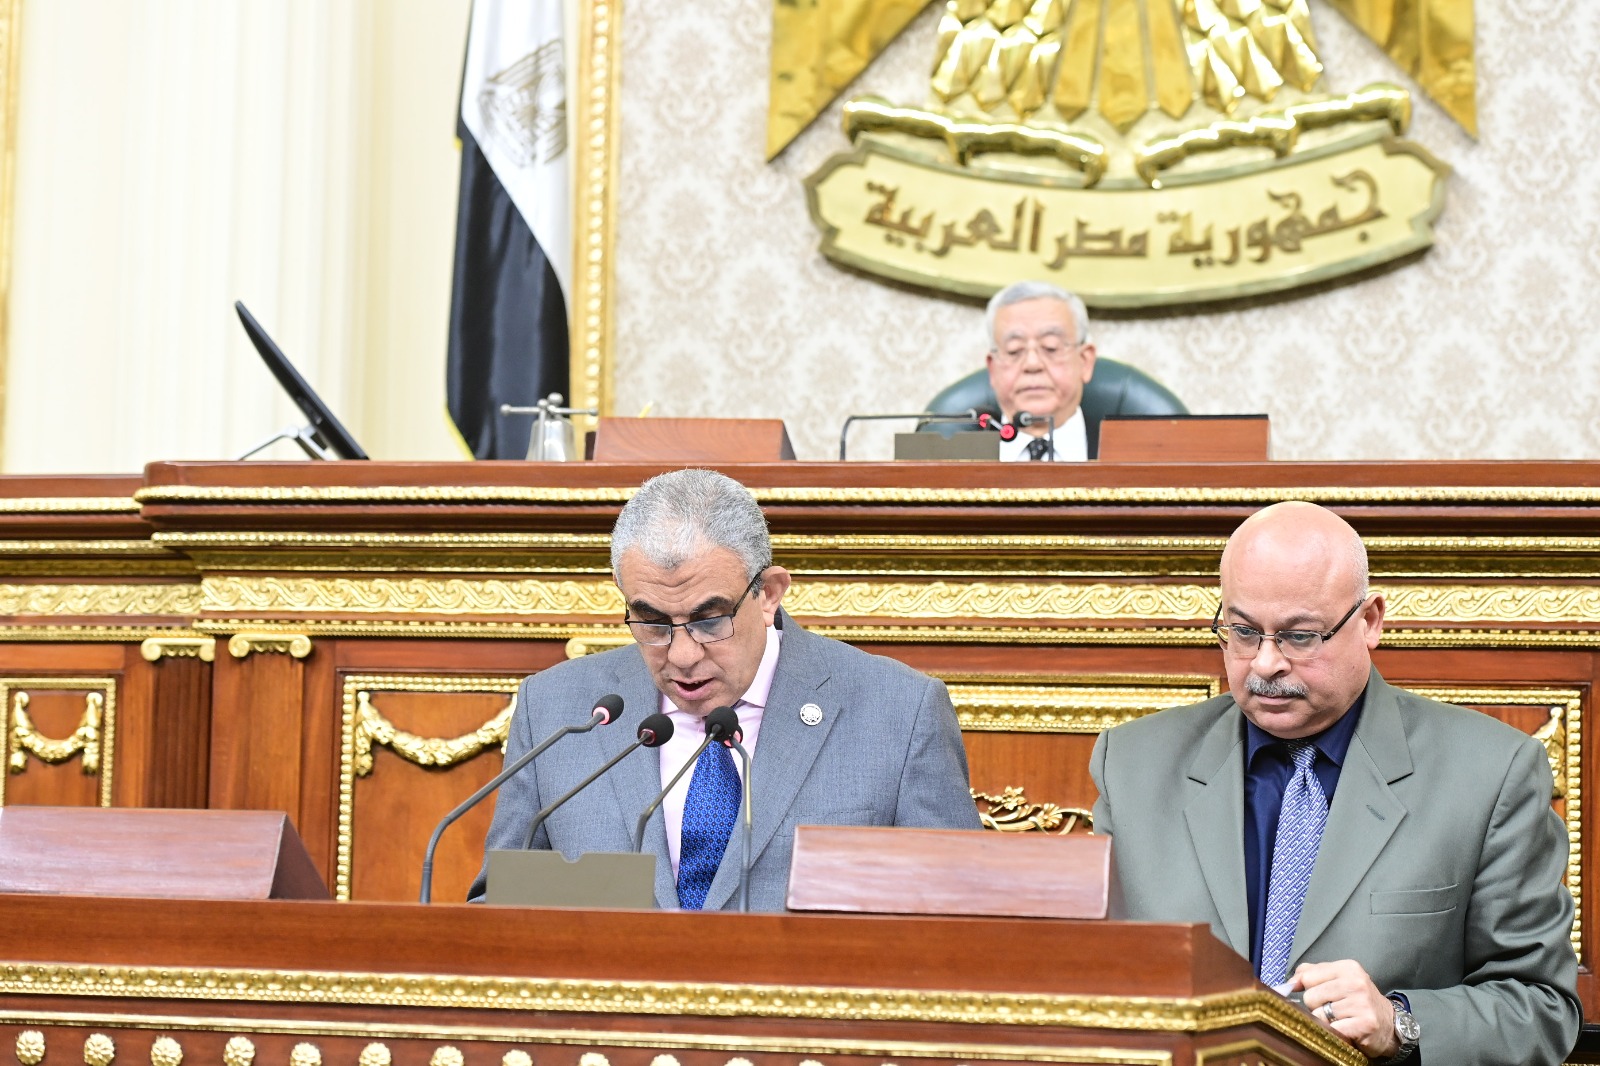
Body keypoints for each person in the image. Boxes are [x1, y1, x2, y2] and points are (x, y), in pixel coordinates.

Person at [1090, 501, 1579, 1065]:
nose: (1265, 663)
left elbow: (1541, 1008)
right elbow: (1092, 981)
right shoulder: (1132, 766)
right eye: (1243, 632)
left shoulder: (1491, 774)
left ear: (1369, 621)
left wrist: (1399, 1024)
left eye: (1299, 637)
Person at [470, 468, 981, 910]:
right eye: (652, 623)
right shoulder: (558, 709)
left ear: (769, 594)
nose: (682, 655)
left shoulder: (899, 712)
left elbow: (961, 913)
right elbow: (501, 909)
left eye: (709, 620)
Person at [985, 280, 1097, 462]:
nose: (1032, 364)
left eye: (1050, 347)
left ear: (1085, 362)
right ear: (992, 368)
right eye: (1014, 350)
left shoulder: (1131, 453)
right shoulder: (955, 458)